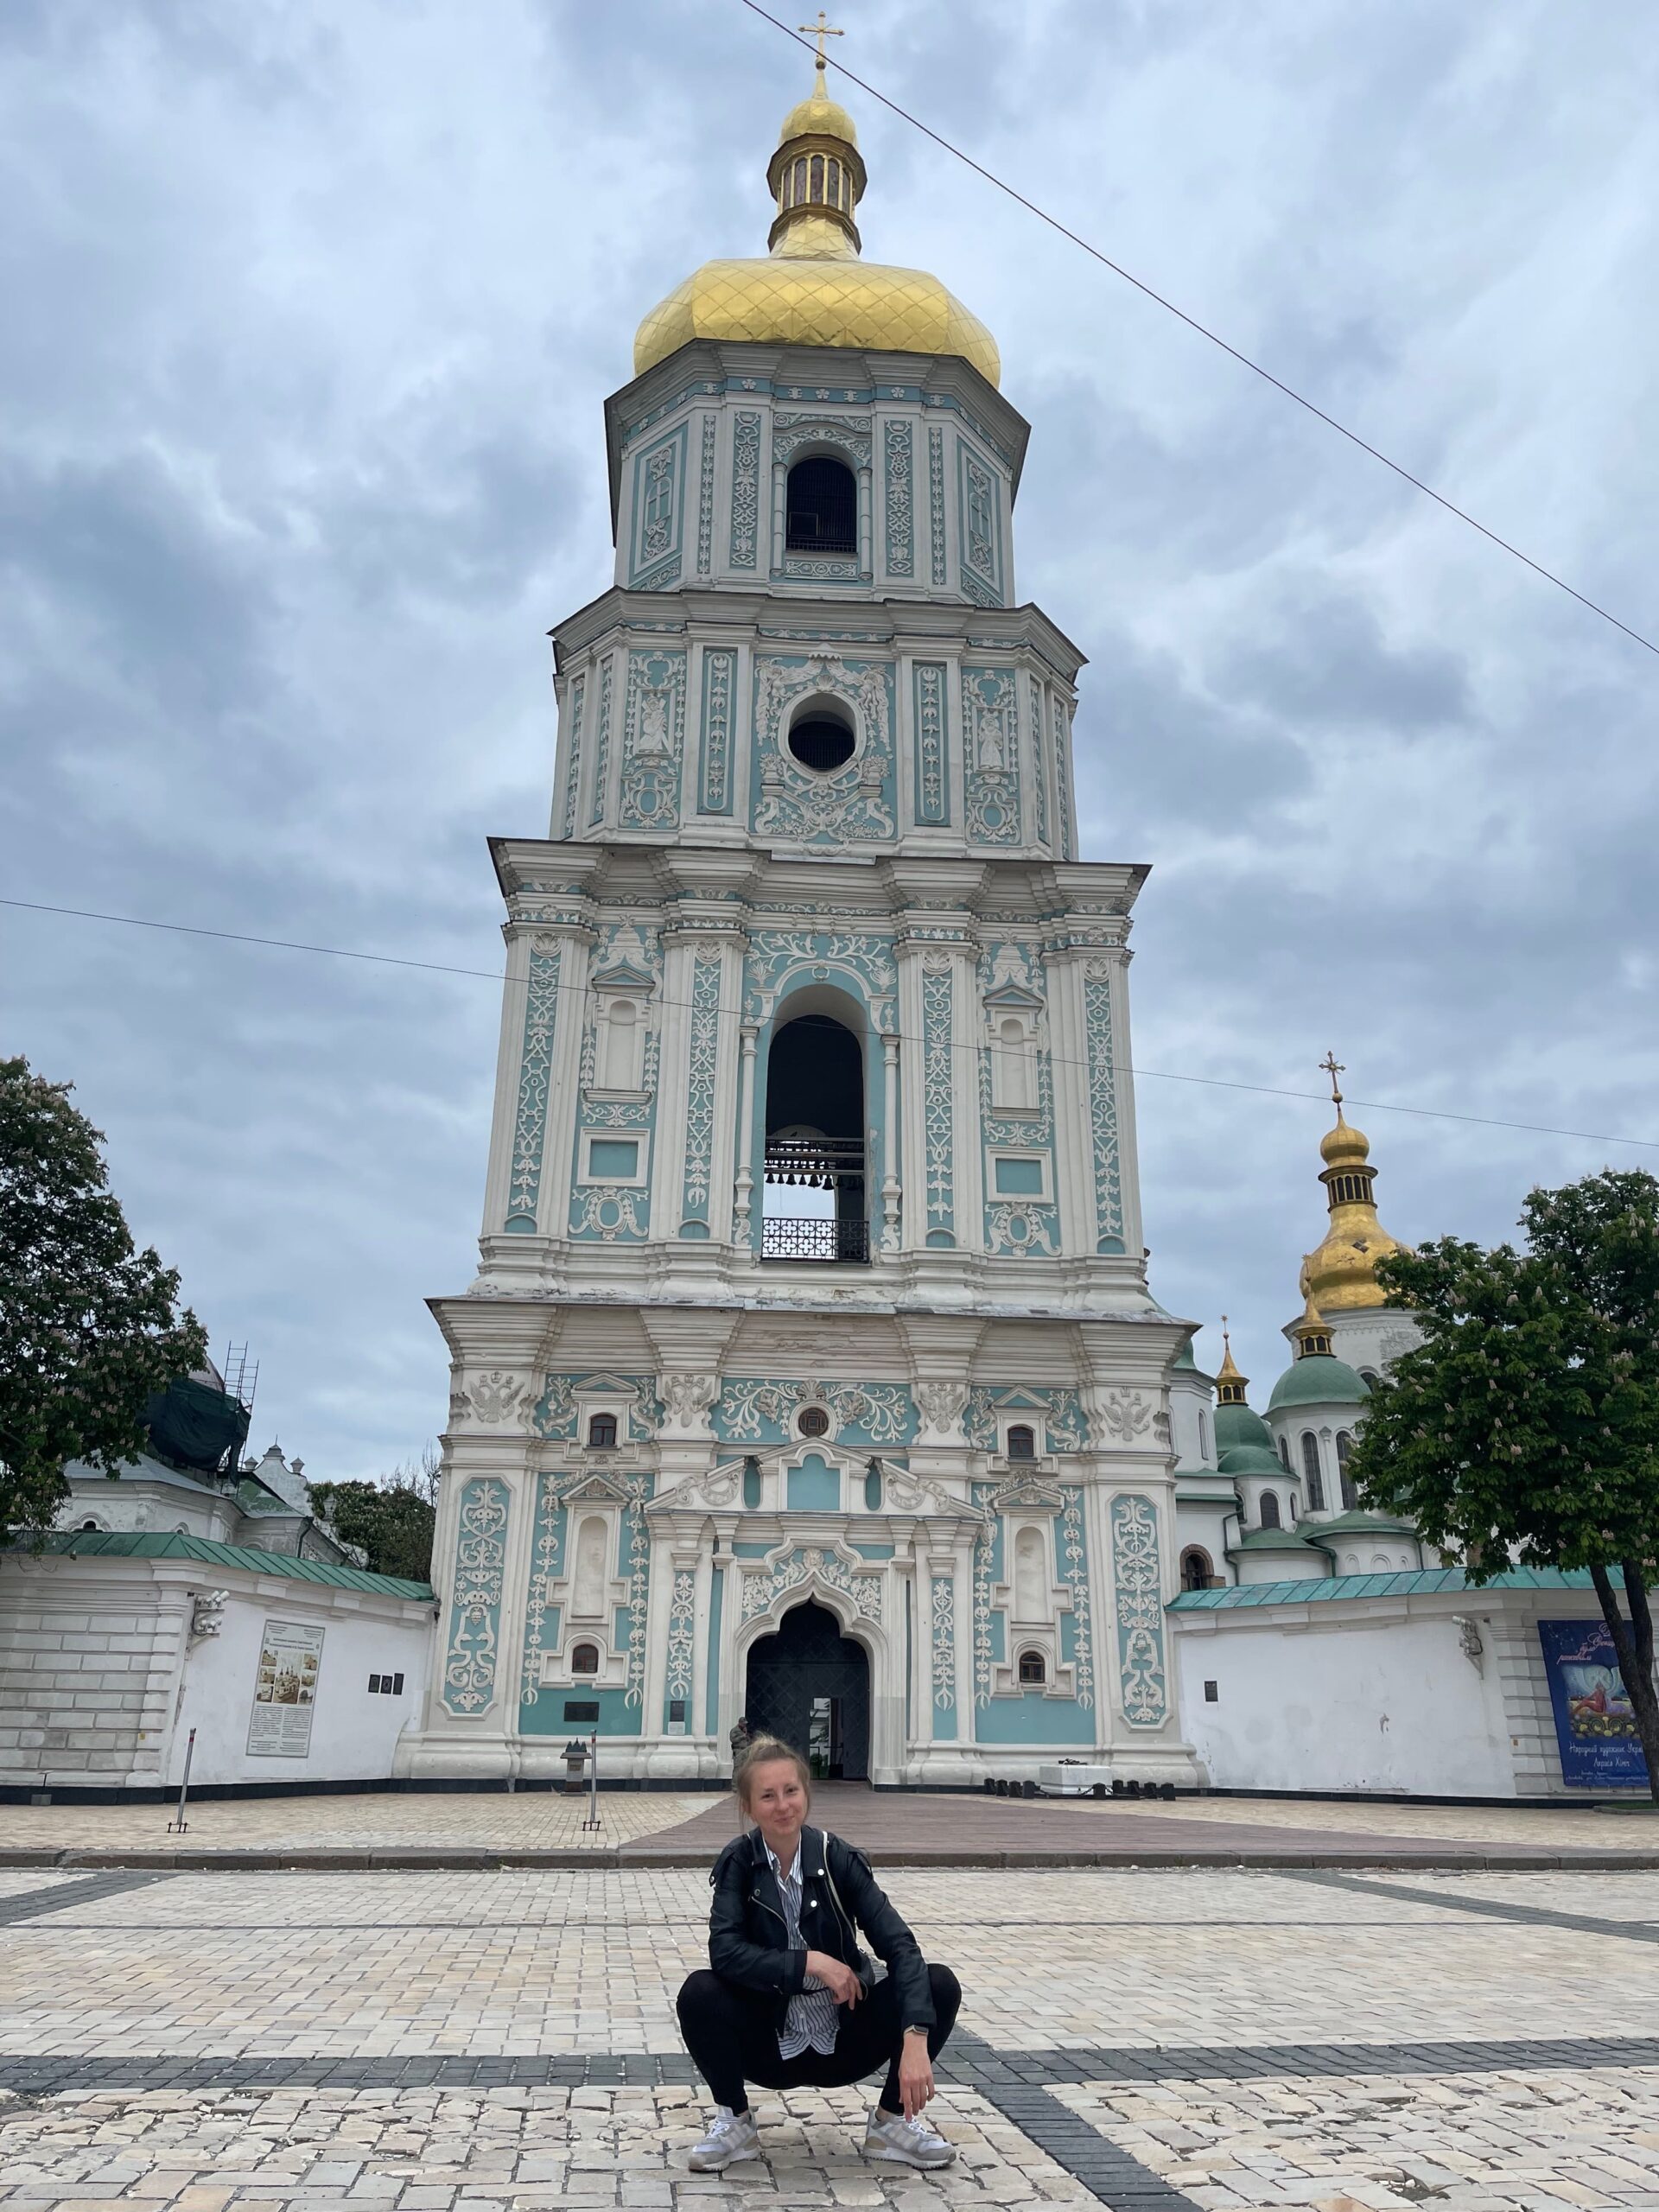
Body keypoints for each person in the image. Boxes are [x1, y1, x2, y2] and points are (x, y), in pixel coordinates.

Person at [676, 1733, 961, 2172]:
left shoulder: (838, 1857)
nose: (783, 1805)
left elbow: (899, 1944)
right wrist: (810, 1962)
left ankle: (890, 2123)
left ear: (806, 1793)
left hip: (844, 2037)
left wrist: (916, 2035)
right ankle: (735, 2119)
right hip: (769, 2037)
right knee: (698, 1992)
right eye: (767, 1796)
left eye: (791, 1790)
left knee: (938, 1984)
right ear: (749, 1807)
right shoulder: (739, 1861)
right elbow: (725, 1952)